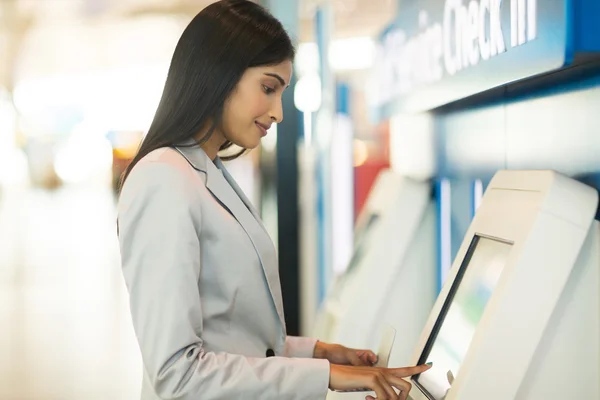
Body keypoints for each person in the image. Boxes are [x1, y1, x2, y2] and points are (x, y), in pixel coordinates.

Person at [116, 1, 431, 399]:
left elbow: (231, 335)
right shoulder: (163, 177)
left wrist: (317, 353)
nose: (278, 112)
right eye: (268, 88)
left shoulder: (206, 171)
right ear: (219, 73)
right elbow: (177, 374)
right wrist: (326, 376)